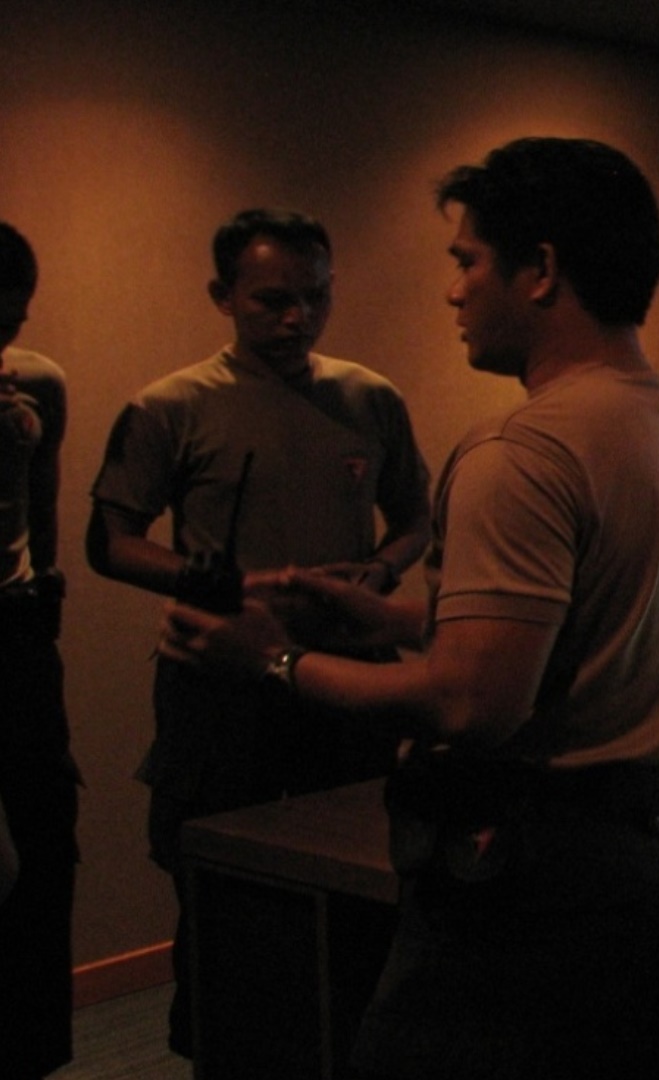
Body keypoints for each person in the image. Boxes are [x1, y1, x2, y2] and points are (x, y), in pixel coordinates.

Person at [161, 138, 659, 1080]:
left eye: (467, 261)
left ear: (541, 270)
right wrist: (389, 622)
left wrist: (270, 658)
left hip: (533, 882)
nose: (454, 291)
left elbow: (476, 703)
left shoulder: (522, 448)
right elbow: (583, 636)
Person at [86, 208, 432, 1056]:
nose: (296, 320)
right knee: (220, 891)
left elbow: (416, 518)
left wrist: (379, 574)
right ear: (223, 296)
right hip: (221, 682)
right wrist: (224, 583)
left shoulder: (369, 397)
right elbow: (111, 542)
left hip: (346, 681)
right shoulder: (171, 406)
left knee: (362, 883)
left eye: (315, 299)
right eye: (272, 300)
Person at [0, 220, 80, 1080]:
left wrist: (46, 589)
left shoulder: (35, 384)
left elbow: (45, 507)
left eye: (12, 321)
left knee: (46, 842)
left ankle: (36, 1054)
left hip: (17, 628)